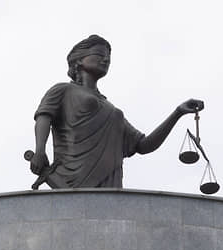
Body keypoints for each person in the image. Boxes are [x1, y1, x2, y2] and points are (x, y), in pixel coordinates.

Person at [29, 34, 204, 189]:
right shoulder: (63, 90)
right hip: (72, 179)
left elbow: (144, 145)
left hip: (110, 184)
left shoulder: (111, 111)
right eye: (99, 55)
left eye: (108, 58)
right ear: (79, 60)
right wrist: (40, 151)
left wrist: (177, 113)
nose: (105, 60)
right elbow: (44, 116)